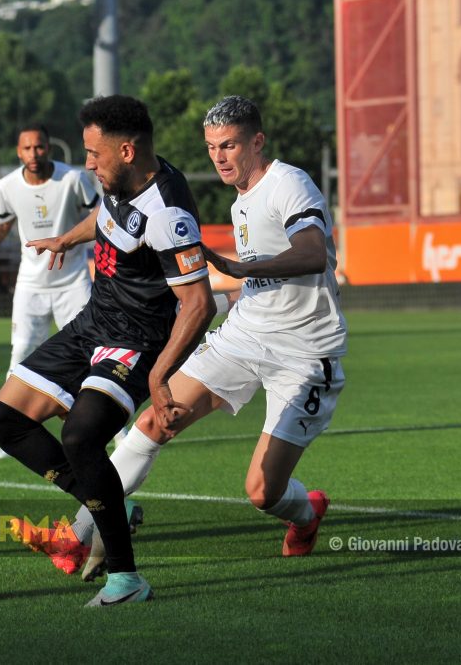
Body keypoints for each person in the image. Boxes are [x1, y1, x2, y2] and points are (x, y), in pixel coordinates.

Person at [70, 95, 347, 580]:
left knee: (263, 493)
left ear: (257, 141)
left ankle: (307, 514)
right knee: (155, 422)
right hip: (243, 338)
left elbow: (312, 253)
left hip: (305, 354)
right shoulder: (240, 197)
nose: (219, 156)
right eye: (212, 147)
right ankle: (75, 535)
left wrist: (245, 267)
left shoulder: (288, 183)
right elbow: (262, 286)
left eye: (230, 145)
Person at [0, 95, 216, 607]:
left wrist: (158, 377)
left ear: (127, 151)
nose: (87, 164)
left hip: (135, 339)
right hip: (92, 321)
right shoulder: (121, 182)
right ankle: (107, 503)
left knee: (81, 437)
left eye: (95, 154)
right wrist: (67, 237)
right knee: (4, 419)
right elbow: (109, 221)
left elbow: (199, 305)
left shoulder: (168, 212)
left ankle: (127, 580)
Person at [0, 124, 99, 459]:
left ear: (47, 149)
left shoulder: (72, 179)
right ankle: (12, 434)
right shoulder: (8, 186)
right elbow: (2, 224)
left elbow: (101, 214)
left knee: (96, 354)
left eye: (39, 147)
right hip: (31, 284)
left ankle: (116, 430)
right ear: (18, 152)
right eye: (27, 149)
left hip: (73, 282)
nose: (34, 154)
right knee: (21, 351)